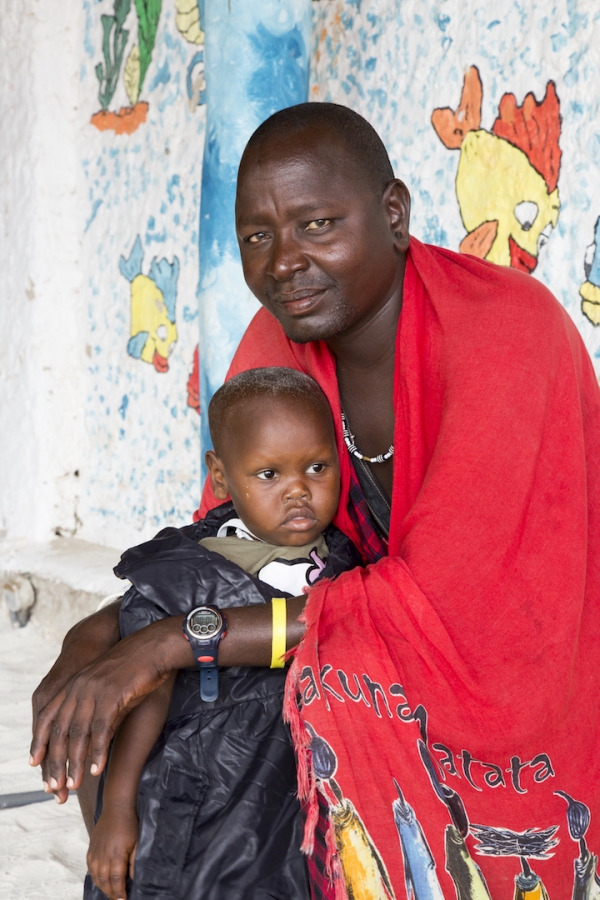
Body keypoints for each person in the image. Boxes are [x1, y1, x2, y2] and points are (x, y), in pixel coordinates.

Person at [31, 102, 600, 900]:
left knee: (300, 685)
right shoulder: (277, 346)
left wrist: (167, 640)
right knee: (144, 697)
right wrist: (104, 632)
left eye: (317, 224)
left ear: (393, 214)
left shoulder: (508, 333)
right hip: (347, 624)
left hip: (506, 672)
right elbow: (226, 547)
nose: (285, 262)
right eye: (258, 236)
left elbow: (440, 606)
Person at [84, 367, 360, 900]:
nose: (298, 490)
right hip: (200, 800)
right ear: (221, 476)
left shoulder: (344, 565)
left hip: (292, 801)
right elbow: (144, 696)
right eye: (268, 475)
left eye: (316, 467)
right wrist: (116, 810)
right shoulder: (182, 576)